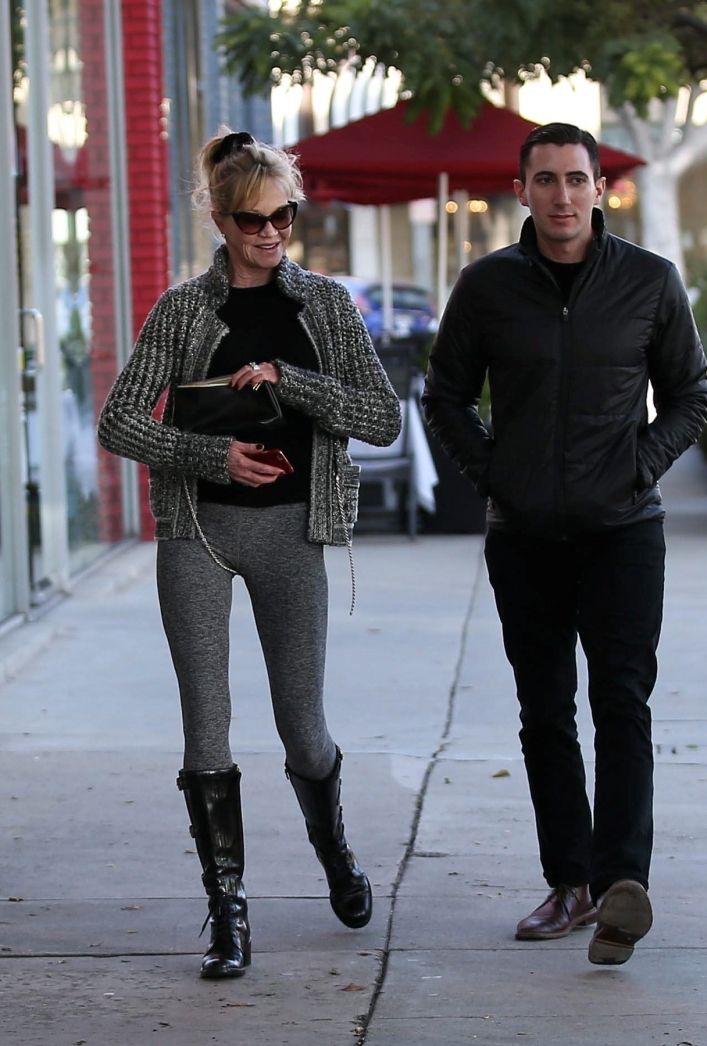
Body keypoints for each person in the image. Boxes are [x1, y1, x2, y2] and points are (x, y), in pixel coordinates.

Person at [98, 129, 401, 979]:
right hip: (198, 530)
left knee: (302, 727)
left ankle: (333, 851)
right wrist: (212, 456)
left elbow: (382, 418)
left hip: (291, 532)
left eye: (284, 216)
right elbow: (119, 420)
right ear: (219, 220)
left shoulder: (326, 307)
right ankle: (228, 912)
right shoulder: (181, 310)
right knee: (206, 722)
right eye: (251, 220)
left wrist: (287, 379)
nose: (270, 234)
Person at [422, 122, 707, 965]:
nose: (561, 195)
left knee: (622, 704)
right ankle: (569, 882)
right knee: (545, 712)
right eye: (544, 179)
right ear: (522, 191)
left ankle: (622, 888)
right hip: (524, 538)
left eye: (576, 179)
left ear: (599, 189)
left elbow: (690, 395)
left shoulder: (648, 282)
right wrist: (495, 476)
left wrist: (637, 469)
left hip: (624, 533)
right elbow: (445, 396)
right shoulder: (487, 286)